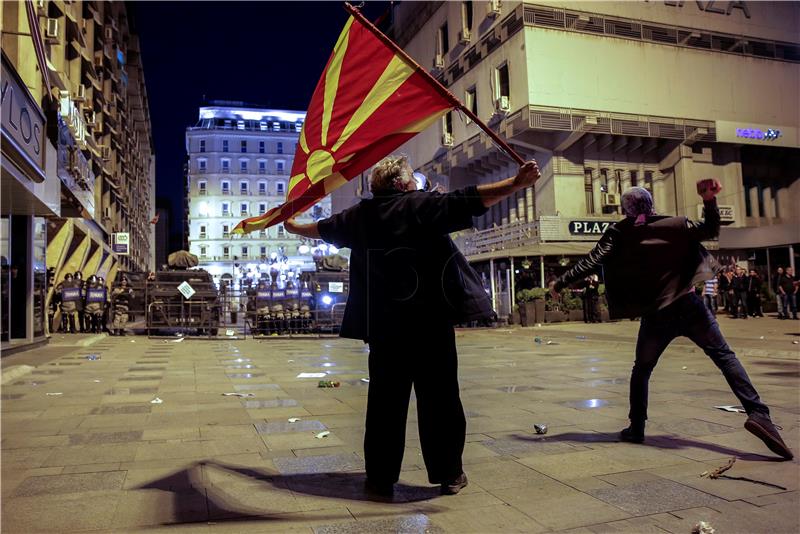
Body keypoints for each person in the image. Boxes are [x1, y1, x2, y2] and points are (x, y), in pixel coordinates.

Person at [285, 155, 541, 495]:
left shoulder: (359, 216)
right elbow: (470, 199)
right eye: (412, 177)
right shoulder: (421, 206)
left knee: (384, 406)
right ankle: (449, 474)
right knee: (441, 402)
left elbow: (323, 230)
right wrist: (516, 183)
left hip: (384, 330)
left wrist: (291, 225)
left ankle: (380, 478)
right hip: (430, 324)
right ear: (402, 183)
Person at [551, 180, 792, 460]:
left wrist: (560, 283)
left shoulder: (619, 232)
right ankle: (759, 415)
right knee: (725, 357)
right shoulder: (675, 225)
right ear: (651, 205)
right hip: (690, 305)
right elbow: (710, 229)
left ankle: (636, 426)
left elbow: (591, 261)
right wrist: (709, 200)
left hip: (656, 314)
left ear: (625, 208)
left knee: (642, 369)